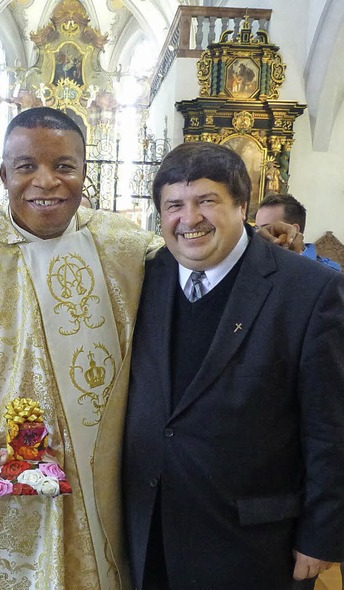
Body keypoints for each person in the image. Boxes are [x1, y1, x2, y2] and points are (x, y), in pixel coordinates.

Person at [0, 107, 163, 589]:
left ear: (85, 173)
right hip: (11, 492)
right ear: (3, 173)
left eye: (64, 166)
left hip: (109, 480)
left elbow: (204, 270)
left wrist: (263, 247)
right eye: (26, 166)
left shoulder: (128, 247)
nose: (45, 181)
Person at [123, 141, 344, 590]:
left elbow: (331, 424)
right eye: (174, 206)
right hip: (151, 527)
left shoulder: (309, 290)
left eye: (207, 200)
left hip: (254, 541)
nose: (190, 219)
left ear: (242, 204)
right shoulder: (143, 276)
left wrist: (323, 534)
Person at [256, 193, 341, 271]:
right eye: (256, 228)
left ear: (293, 230)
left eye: (268, 228)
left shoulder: (326, 273)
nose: (260, 235)